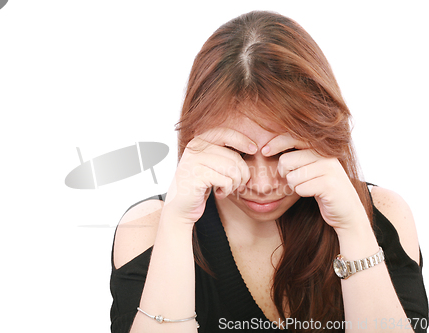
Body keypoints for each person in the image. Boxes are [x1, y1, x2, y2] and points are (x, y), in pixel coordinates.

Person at [110, 10, 428, 333]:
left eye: (285, 153)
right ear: (196, 140)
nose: (261, 184)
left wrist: (353, 228)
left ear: (322, 134)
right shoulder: (148, 231)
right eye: (237, 153)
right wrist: (176, 225)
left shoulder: (385, 215)